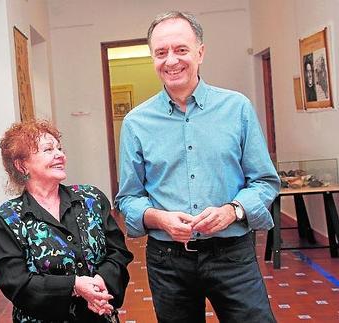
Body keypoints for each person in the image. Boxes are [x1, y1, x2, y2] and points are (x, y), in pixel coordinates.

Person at [116, 11, 280, 323]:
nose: (171, 61)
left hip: (232, 254)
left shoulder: (237, 108)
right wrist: (160, 219)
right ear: (152, 58)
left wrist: (232, 211)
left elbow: (265, 182)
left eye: (181, 49)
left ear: (200, 53)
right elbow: (128, 199)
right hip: (168, 260)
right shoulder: (136, 122)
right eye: (161, 53)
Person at [0, 120, 133, 322]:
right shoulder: (7, 218)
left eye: (60, 148)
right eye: (48, 150)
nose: (60, 155)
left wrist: (101, 283)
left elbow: (118, 253)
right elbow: (16, 283)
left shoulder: (91, 199)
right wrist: (74, 286)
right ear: (22, 165)